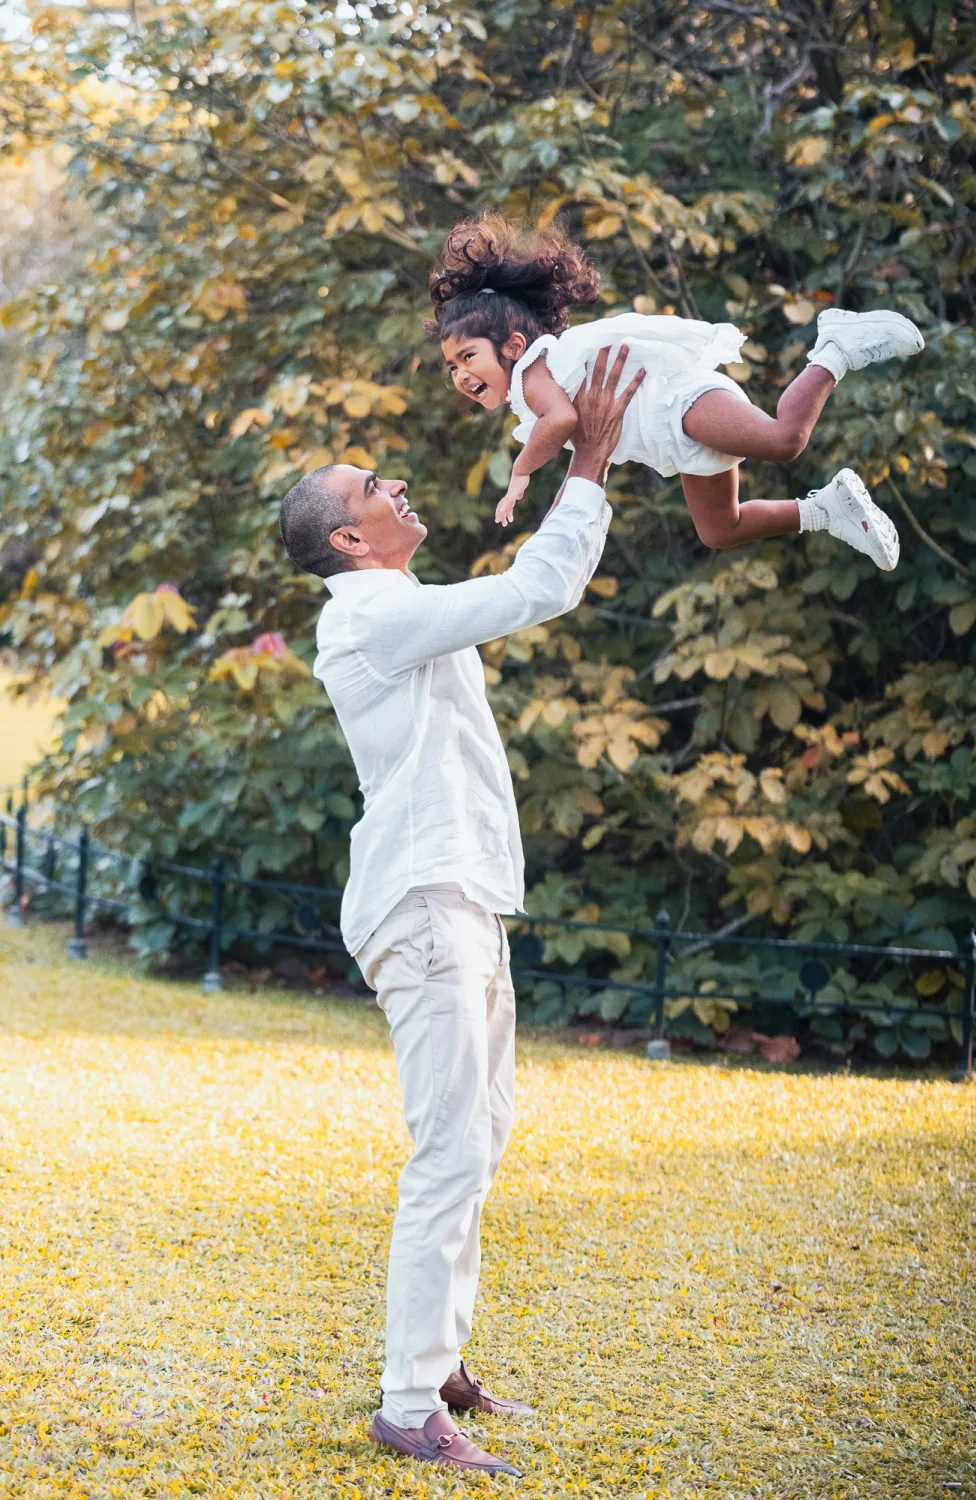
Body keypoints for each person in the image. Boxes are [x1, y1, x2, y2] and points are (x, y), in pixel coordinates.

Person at [278, 345, 644, 1479]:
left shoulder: (394, 605)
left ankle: (434, 1366)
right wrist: (588, 461)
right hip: (422, 903)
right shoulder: (370, 615)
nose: (393, 486)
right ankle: (405, 1405)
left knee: (477, 1140)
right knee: (447, 1151)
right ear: (350, 540)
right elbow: (537, 589)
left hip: (459, 897)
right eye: (370, 488)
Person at [428, 213, 926, 569]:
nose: (460, 375)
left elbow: (563, 422)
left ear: (513, 346)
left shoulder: (533, 372)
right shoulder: (535, 389)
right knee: (720, 529)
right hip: (675, 439)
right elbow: (589, 450)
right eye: (451, 367)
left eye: (468, 357)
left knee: (785, 440)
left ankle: (835, 348)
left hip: (680, 404)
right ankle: (826, 509)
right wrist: (562, 516)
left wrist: (519, 474)